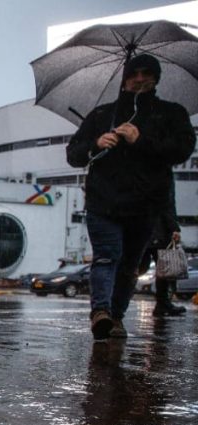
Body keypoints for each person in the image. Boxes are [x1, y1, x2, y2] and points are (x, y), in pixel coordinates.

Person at [66, 54, 196, 340]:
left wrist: (142, 140)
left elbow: (182, 149)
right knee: (106, 256)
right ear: (124, 78)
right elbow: (73, 153)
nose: (139, 79)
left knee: (129, 266)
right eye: (133, 73)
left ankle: (115, 316)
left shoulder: (171, 114)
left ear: (156, 77)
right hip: (104, 203)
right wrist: (96, 144)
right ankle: (100, 312)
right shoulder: (103, 115)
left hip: (145, 206)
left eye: (146, 74)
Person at [137, 184, 186, 317]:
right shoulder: (162, 175)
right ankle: (162, 304)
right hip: (156, 230)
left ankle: (162, 304)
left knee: (144, 267)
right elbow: (167, 204)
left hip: (145, 229)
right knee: (160, 269)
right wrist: (174, 227)